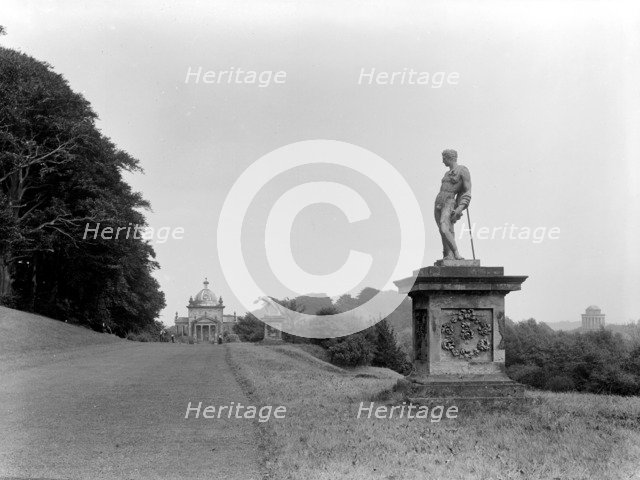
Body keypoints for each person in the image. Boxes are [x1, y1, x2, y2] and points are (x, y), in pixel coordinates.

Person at [434, 149, 471, 260]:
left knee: (444, 227)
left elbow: (467, 191)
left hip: (449, 201)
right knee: (443, 229)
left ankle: (456, 253)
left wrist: (460, 208)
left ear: (449, 158)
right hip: (438, 201)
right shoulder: (446, 173)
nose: (442, 161)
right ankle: (448, 255)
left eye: (443, 159)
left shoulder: (463, 170)